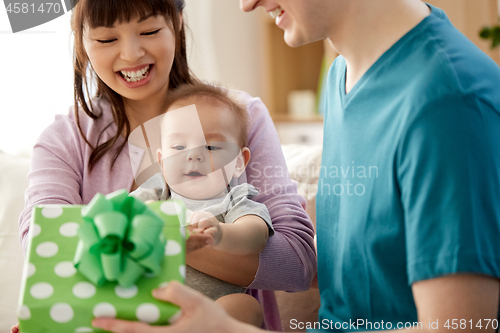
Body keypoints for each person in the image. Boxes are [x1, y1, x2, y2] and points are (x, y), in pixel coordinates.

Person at [91, 0, 500, 332]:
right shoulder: (344, 76)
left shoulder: (447, 102)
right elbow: (370, 267)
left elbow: (463, 326)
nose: (246, 4)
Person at [14, 0, 317, 332]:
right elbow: (47, 250)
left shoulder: (240, 117)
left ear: (177, 21)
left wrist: (148, 238)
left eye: (149, 30)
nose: (131, 54)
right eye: (106, 39)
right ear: (81, 40)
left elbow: (296, 263)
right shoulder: (63, 140)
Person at [130, 82, 276, 327]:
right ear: (162, 161)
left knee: (245, 305)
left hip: (213, 313)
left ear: (239, 162)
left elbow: (256, 234)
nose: (193, 155)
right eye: (178, 147)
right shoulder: (157, 193)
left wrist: (220, 234)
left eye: (210, 147)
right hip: (155, 304)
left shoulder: (235, 199)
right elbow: (123, 212)